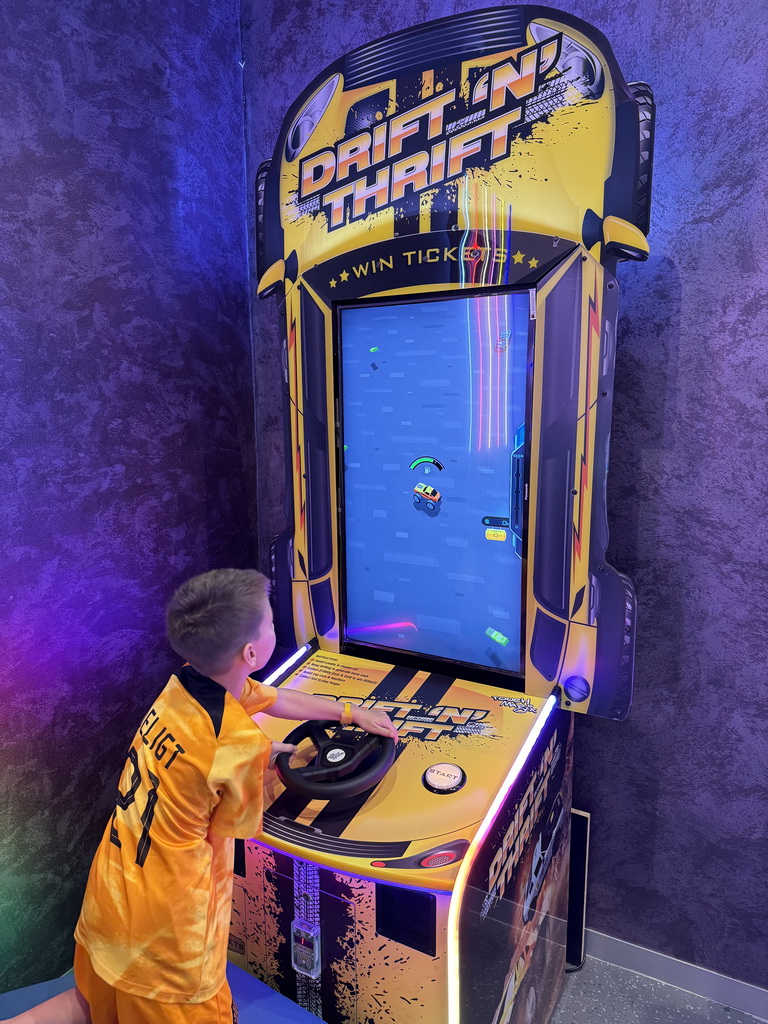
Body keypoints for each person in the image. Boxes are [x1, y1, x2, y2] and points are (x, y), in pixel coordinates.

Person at [7, 568, 398, 1024]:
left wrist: (350, 713)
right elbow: (237, 827)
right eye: (271, 623)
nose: (275, 628)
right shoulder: (234, 745)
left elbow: (269, 700)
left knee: (97, 1002)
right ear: (252, 651)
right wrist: (261, 762)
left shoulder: (184, 687)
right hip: (171, 935)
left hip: (112, 895)